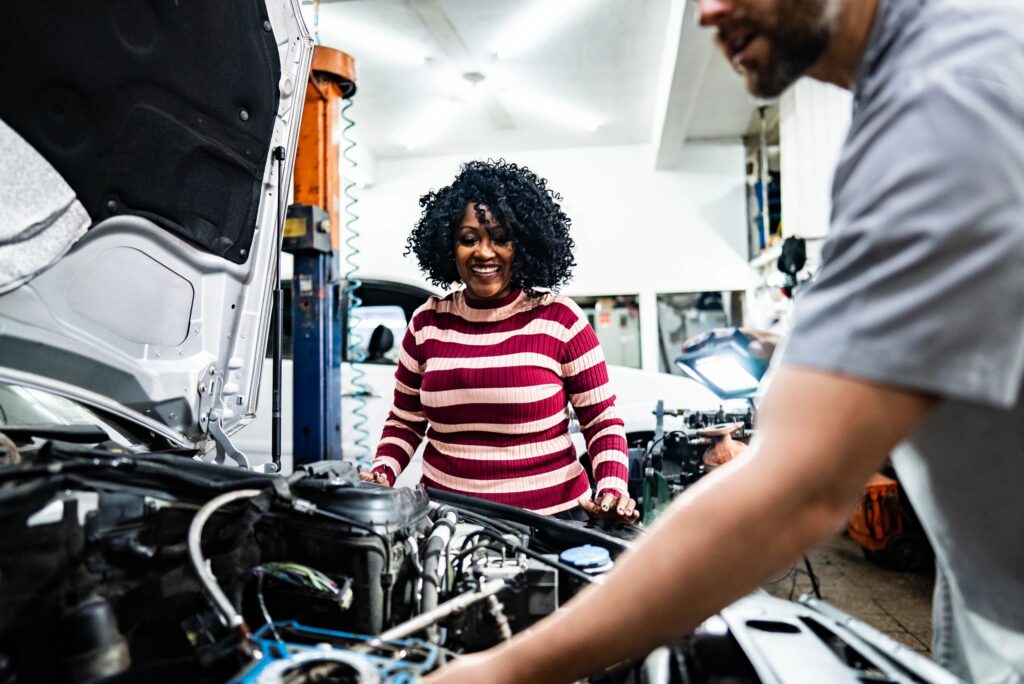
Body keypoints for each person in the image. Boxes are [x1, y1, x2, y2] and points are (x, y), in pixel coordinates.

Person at [428, 0, 1024, 682]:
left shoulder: (952, 95)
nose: (707, 11)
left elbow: (797, 490)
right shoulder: (909, 94)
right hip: (985, 601)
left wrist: (499, 672)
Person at [361, 159, 639, 524]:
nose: (484, 252)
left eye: (501, 238)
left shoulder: (560, 319)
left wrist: (612, 489)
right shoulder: (427, 323)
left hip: (552, 522)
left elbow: (601, 420)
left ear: (522, 244)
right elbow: (405, 420)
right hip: (450, 523)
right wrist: (382, 471)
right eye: (469, 239)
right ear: (449, 246)